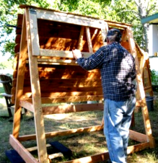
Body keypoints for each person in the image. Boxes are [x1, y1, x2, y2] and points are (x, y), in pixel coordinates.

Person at [72, 28, 136, 163]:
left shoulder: (106, 50)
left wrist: (78, 57)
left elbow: (88, 64)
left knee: (113, 132)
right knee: (123, 131)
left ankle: (118, 161)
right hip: (129, 98)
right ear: (119, 40)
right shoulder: (128, 54)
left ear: (107, 39)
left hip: (114, 99)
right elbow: (133, 75)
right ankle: (120, 157)